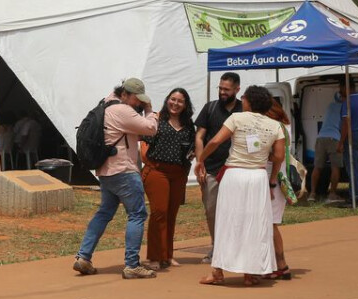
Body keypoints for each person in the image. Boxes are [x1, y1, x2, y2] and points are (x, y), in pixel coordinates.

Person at [196, 86, 285, 287]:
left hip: (235, 175)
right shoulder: (275, 126)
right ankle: (249, 273)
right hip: (258, 177)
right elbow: (279, 156)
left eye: (244, 97)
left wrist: (201, 160)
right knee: (254, 224)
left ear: (249, 101)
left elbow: (216, 141)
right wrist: (270, 175)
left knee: (227, 222)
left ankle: (217, 272)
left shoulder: (236, 118)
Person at [73, 78, 158, 279]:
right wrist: (150, 110)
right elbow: (150, 129)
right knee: (137, 214)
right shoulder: (122, 110)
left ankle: (84, 256)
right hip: (124, 170)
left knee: (104, 212)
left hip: (106, 170)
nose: (139, 103)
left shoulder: (105, 103)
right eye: (137, 99)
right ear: (126, 94)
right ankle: (132, 264)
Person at [140, 88, 195, 270]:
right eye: (173, 99)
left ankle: (167, 255)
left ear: (185, 105)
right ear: (167, 100)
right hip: (157, 171)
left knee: (171, 214)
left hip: (179, 173)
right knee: (159, 212)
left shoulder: (188, 125)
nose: (175, 104)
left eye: (180, 101)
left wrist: (192, 156)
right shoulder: (157, 119)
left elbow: (193, 148)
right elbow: (143, 144)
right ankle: (154, 257)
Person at [194, 72, 241, 264]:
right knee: (211, 210)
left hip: (236, 170)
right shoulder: (210, 108)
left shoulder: (244, 110)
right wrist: (200, 162)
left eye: (226, 89)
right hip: (211, 169)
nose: (222, 92)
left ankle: (236, 248)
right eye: (220, 88)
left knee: (236, 211)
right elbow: (199, 137)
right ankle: (216, 246)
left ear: (237, 89)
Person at [263, 100, 293, 281]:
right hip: (276, 180)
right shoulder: (284, 126)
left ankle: (281, 265)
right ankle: (278, 265)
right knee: (270, 224)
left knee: (270, 224)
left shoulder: (276, 128)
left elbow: (277, 158)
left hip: (272, 180)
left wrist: (272, 183)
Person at [339, 78, 358, 206]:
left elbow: (346, 123)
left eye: (340, 88)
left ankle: (355, 197)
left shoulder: (347, 102)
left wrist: (341, 142)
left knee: (352, 168)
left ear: (345, 87)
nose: (339, 91)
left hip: (353, 136)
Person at [311, 92, 344, 204]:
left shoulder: (330, 106)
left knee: (317, 167)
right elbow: (344, 126)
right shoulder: (345, 108)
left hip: (320, 137)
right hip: (334, 139)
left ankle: (312, 194)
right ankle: (332, 194)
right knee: (335, 167)